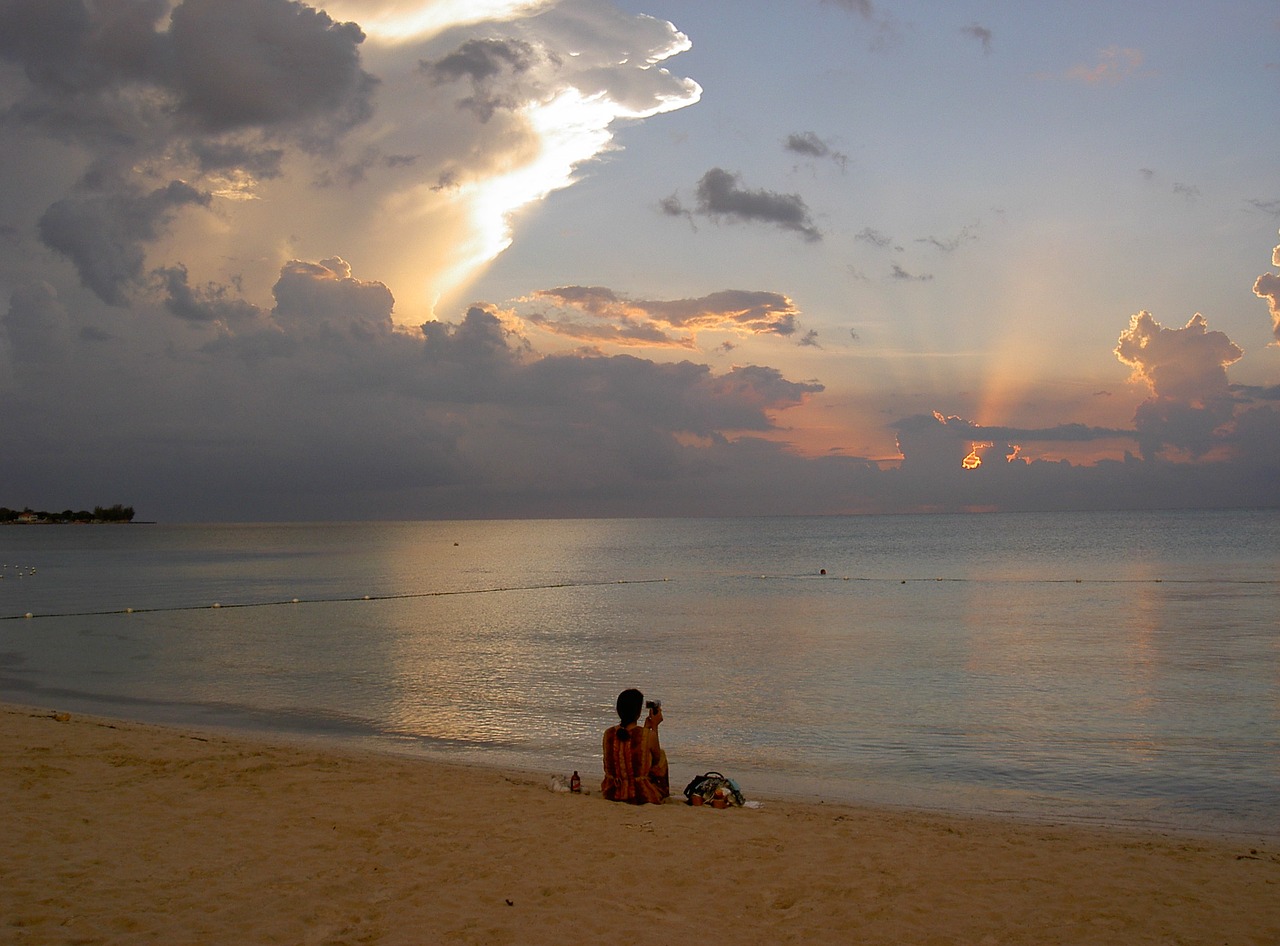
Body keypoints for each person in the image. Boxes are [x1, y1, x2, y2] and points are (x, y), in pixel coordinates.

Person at [601, 688, 669, 804]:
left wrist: (647, 728)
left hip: (612, 791)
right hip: (640, 793)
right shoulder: (648, 736)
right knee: (661, 755)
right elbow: (655, 761)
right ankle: (663, 792)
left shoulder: (609, 733)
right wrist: (655, 727)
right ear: (637, 712)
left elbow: (633, 743)